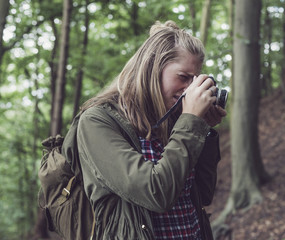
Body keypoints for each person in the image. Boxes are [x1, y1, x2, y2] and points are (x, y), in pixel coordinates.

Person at [73, 20, 226, 240]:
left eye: (195, 79)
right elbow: (156, 194)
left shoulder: (178, 119)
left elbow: (202, 194)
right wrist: (191, 121)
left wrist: (204, 129)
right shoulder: (98, 121)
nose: (191, 89)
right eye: (184, 77)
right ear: (153, 68)